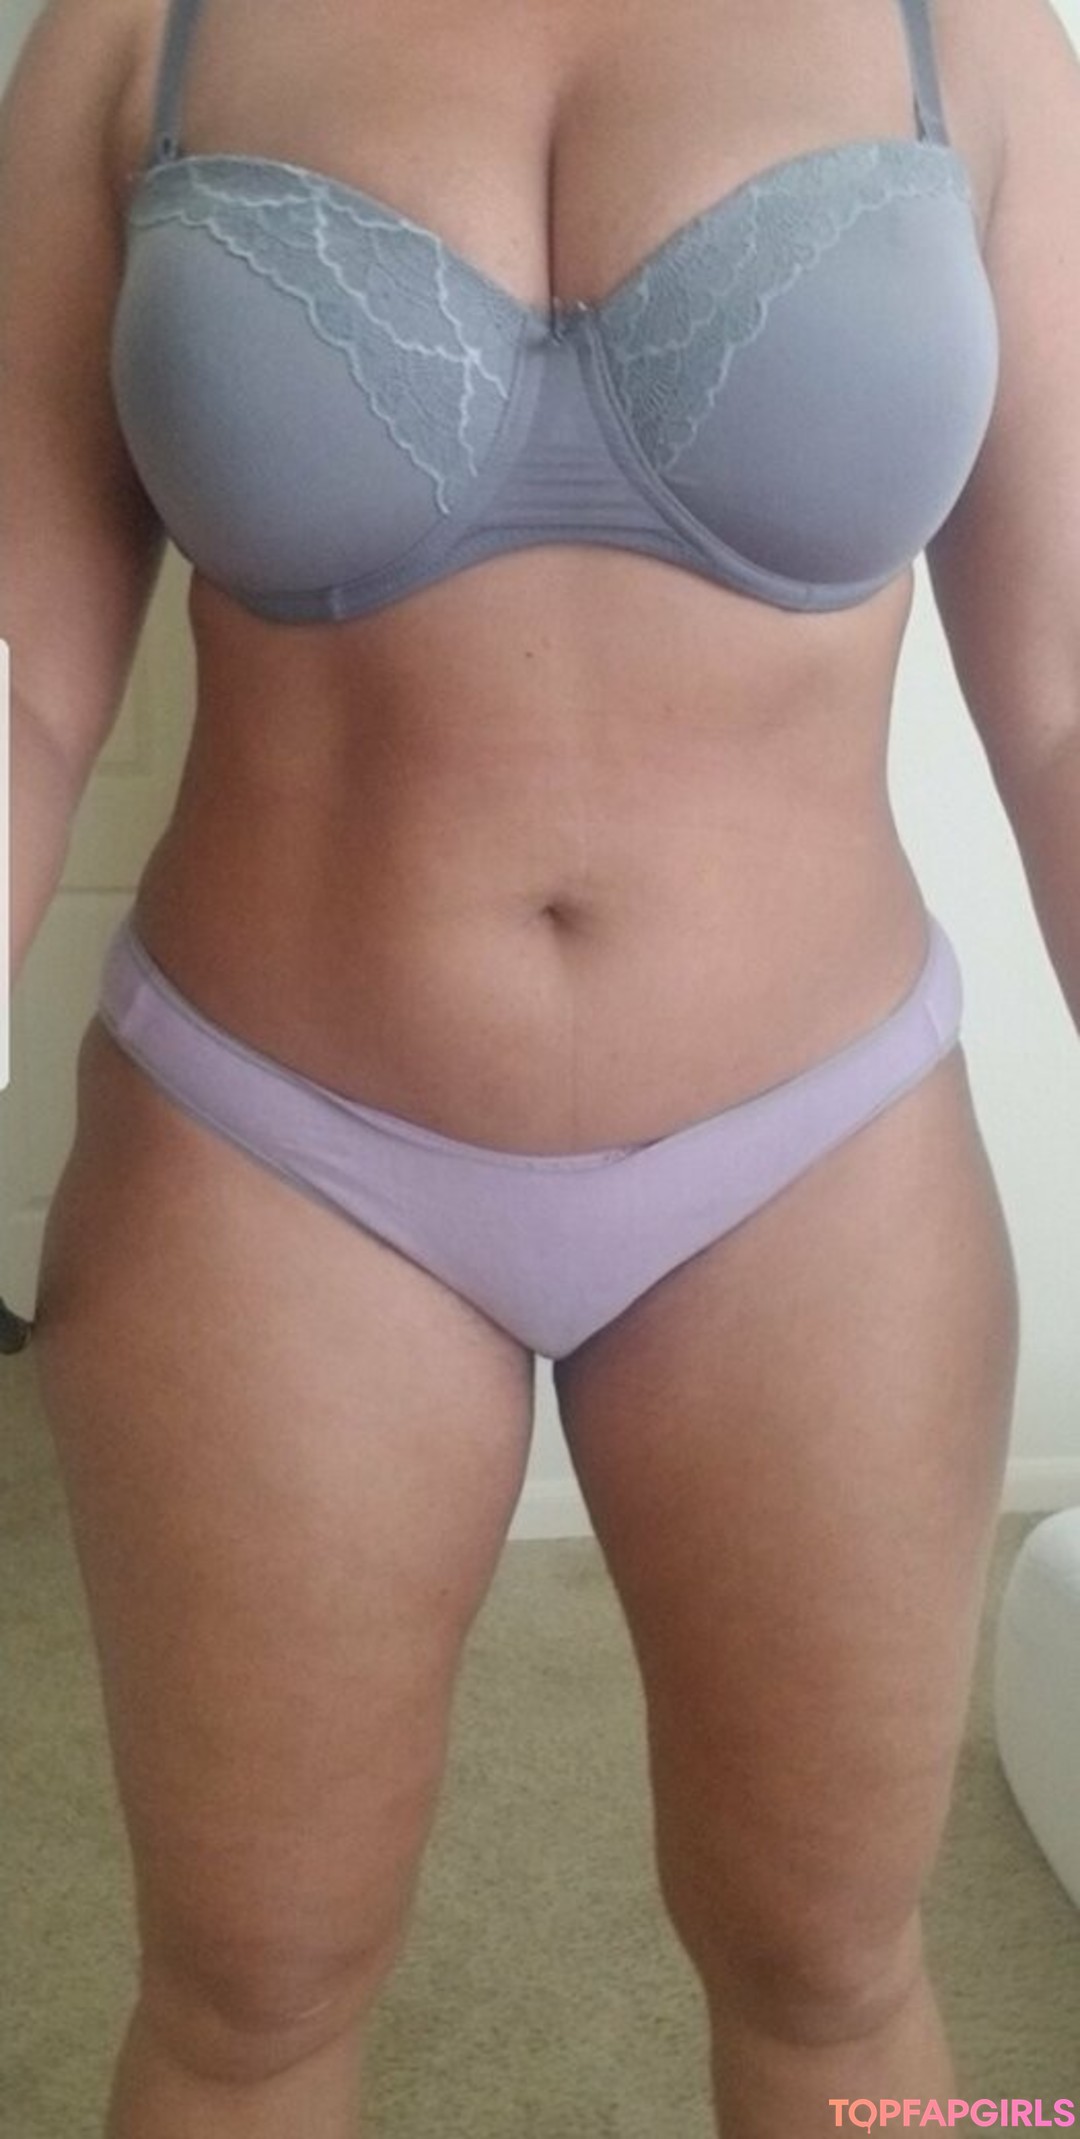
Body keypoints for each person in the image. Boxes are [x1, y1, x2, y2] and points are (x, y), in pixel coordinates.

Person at [3, 0, 1079, 2132]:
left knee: (843, 1969)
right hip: (267, 1143)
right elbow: (19, 689)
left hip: (820, 1155)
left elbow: (1064, 706)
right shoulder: (135, 35)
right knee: (243, 1994)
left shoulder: (968, 41)